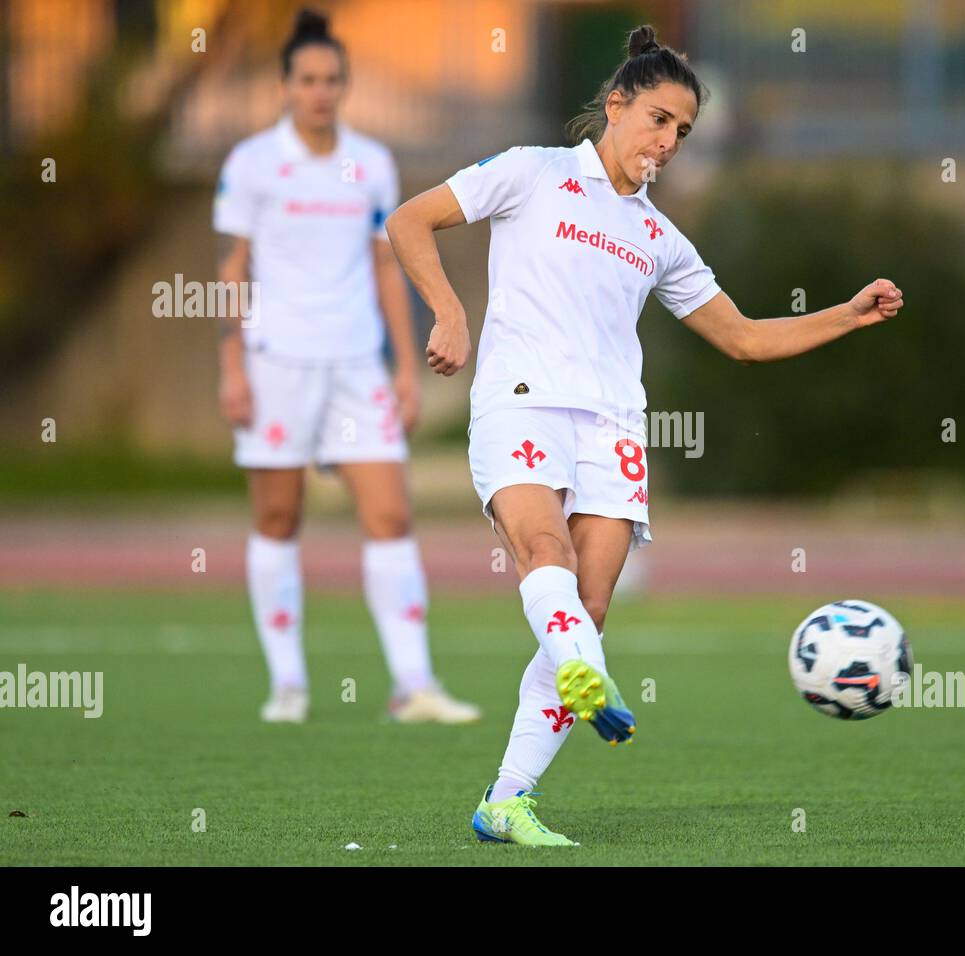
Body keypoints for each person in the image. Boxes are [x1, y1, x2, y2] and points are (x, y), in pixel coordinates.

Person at [386, 24, 903, 844]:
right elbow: (409, 220)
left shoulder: (660, 238)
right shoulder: (531, 172)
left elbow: (743, 338)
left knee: (588, 605)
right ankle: (582, 670)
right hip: (522, 401)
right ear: (616, 105)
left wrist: (848, 313)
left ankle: (506, 800)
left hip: (615, 425)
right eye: (659, 120)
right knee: (543, 552)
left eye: (684, 132)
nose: (668, 142)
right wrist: (450, 312)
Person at [214, 8, 479, 725]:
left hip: (357, 365)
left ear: (345, 85)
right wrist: (231, 365)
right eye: (307, 80)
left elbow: (386, 266)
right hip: (277, 364)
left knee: (391, 515)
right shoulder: (251, 164)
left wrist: (402, 367)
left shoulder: (371, 163)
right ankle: (288, 684)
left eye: (332, 80)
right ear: (285, 85)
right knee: (277, 517)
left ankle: (414, 685)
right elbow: (233, 269)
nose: (320, 92)